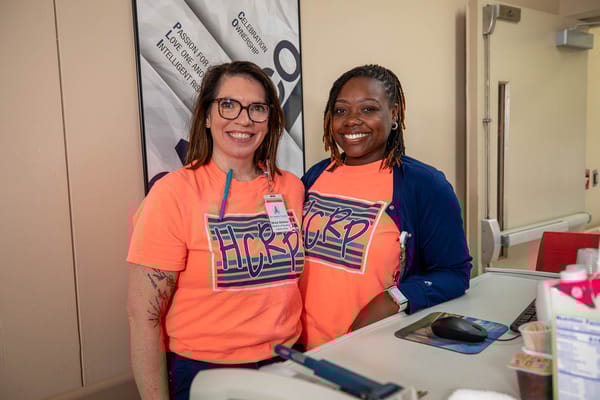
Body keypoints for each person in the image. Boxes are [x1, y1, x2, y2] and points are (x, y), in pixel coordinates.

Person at [127, 61, 305, 400]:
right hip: (205, 371)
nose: (243, 119)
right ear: (207, 116)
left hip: (287, 363)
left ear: (269, 120)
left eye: (257, 108)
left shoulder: (291, 189)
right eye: (228, 105)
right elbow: (143, 314)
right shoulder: (174, 193)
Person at [300, 64, 472, 350]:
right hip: (303, 349)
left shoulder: (424, 185)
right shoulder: (316, 175)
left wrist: (395, 298)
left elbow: (455, 273)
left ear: (393, 114)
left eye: (368, 109)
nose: (352, 121)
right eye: (341, 110)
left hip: (372, 350)